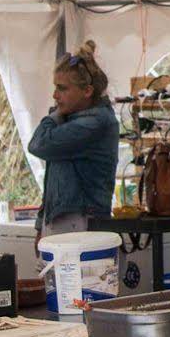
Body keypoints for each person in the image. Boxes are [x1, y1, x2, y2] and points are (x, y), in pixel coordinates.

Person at [27, 41, 120, 236]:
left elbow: (38, 144)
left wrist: (53, 116)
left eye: (62, 89)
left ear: (87, 91)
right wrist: (40, 223)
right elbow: (53, 176)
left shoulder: (95, 123)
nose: (55, 95)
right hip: (65, 220)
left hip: (82, 222)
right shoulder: (72, 120)